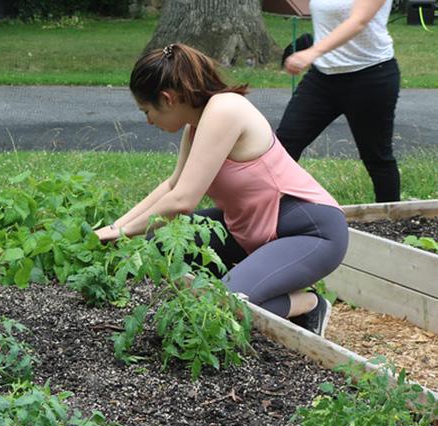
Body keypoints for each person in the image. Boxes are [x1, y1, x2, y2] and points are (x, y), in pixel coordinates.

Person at [95, 44, 348, 336]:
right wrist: (116, 226)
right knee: (161, 243)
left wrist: (121, 233)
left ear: (167, 99)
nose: (149, 121)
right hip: (252, 228)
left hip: (310, 232)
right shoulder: (195, 126)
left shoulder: (225, 109)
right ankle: (255, 284)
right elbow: (172, 184)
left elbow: (183, 200)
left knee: (219, 306)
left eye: (147, 111)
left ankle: (308, 304)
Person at [278, 0, 400, 203]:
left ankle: (393, 223)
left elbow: (358, 20)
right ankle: (268, 215)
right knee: (283, 146)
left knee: (377, 158)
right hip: (322, 77)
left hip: (370, 76)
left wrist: (312, 52)